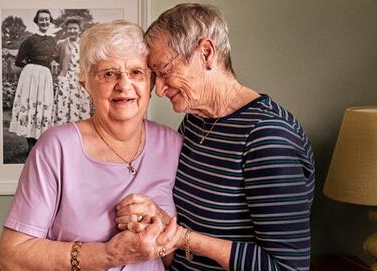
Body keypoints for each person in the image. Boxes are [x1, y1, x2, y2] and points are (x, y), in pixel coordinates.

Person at [115, 3, 315, 271]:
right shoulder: (196, 121)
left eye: (164, 71)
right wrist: (157, 219)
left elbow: (287, 267)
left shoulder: (269, 136)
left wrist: (182, 238)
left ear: (206, 53)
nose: (159, 90)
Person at [0, 20, 183, 271]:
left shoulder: (173, 144)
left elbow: (173, 259)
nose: (124, 85)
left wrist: (158, 224)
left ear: (150, 83)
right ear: (86, 84)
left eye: (136, 72)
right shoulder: (56, 148)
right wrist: (109, 255)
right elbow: (12, 256)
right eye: (109, 73)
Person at [8, 9, 57, 152]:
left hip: (45, 76)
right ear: (37, 21)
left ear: (50, 21)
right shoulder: (29, 40)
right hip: (31, 76)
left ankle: (40, 143)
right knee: (30, 106)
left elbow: (55, 57)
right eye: (41, 19)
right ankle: (30, 144)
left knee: (42, 107)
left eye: (47, 19)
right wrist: (31, 67)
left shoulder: (52, 40)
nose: (44, 22)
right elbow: (18, 61)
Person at [53, 16, 93, 126]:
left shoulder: (85, 44)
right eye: (70, 28)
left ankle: (81, 132)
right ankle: (64, 133)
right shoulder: (61, 43)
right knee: (63, 106)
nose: (72, 31)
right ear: (66, 30)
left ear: (80, 30)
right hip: (65, 78)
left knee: (82, 105)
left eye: (75, 28)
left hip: (80, 78)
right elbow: (55, 58)